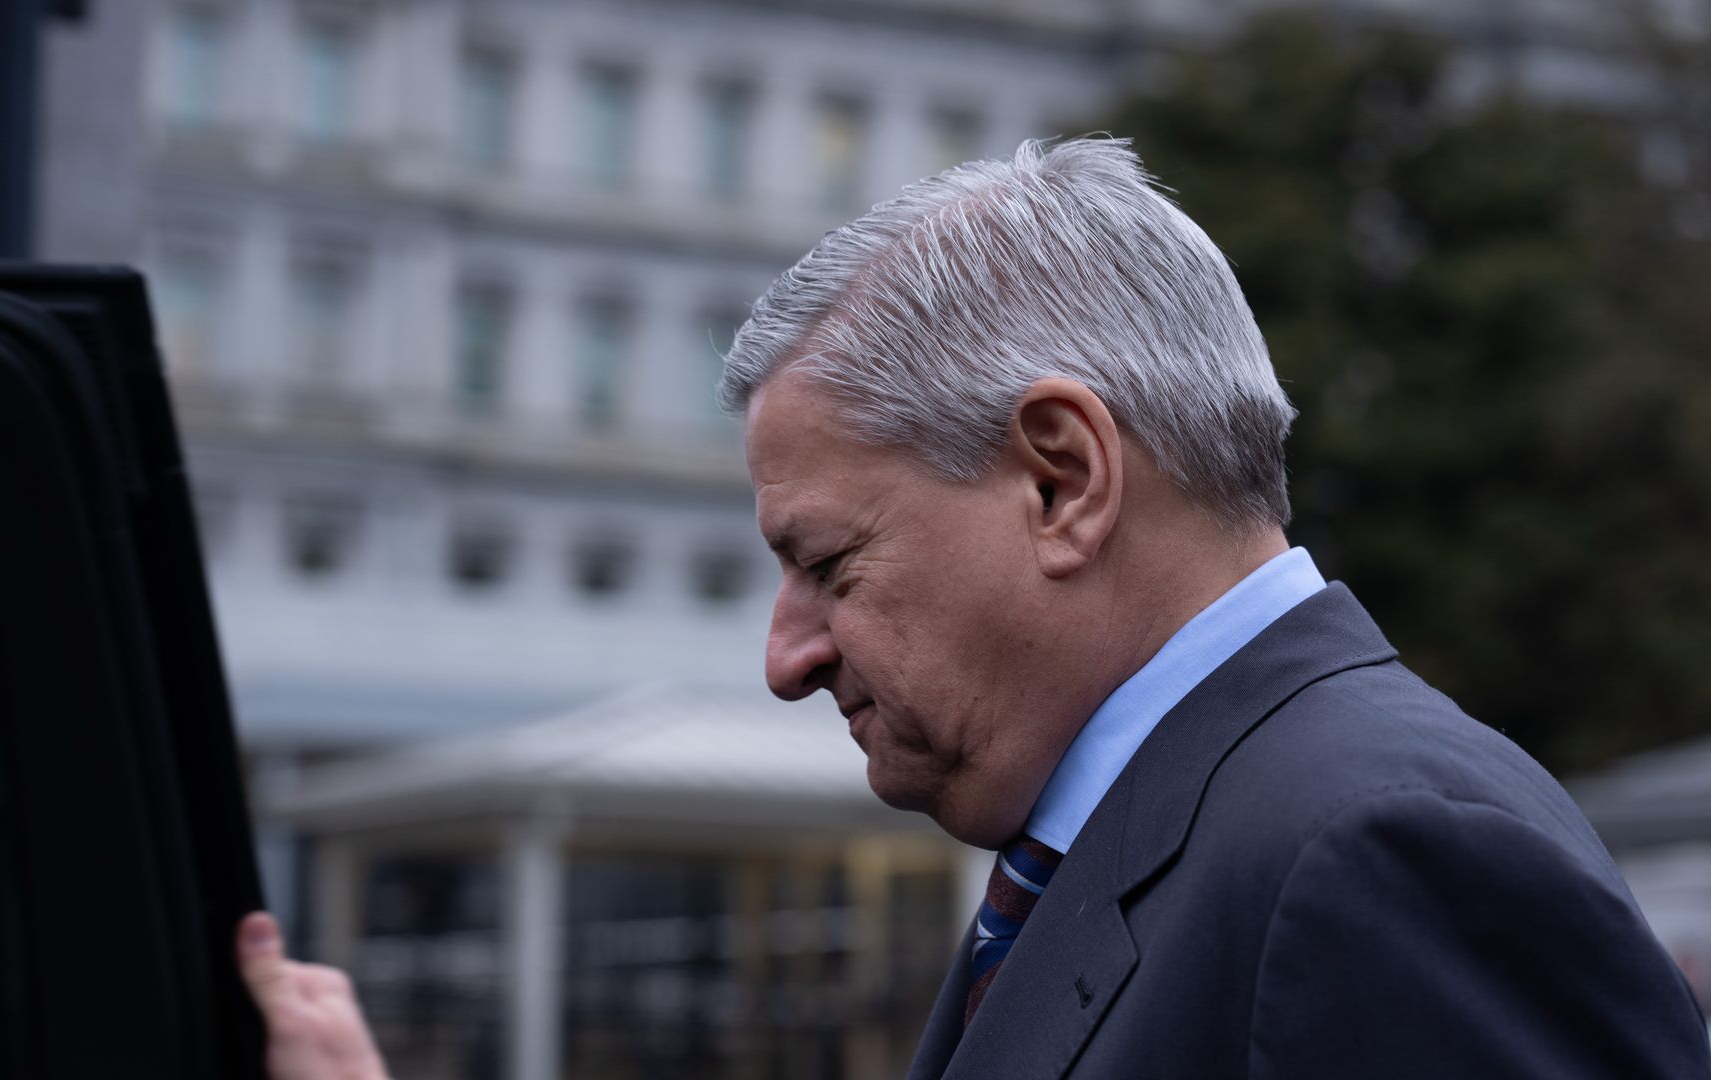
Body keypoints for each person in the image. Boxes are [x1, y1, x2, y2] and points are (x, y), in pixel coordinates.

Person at [239, 138, 1711, 1077]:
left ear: (1063, 478)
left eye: (830, 563)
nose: (786, 655)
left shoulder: (1381, 856)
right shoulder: (1167, 837)